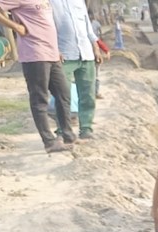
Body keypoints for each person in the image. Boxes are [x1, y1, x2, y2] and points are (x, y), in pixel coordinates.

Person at [0, 0, 75, 153]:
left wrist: (56, 50)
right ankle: (49, 142)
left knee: (63, 94)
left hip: (52, 54)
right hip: (35, 54)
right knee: (40, 99)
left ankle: (68, 135)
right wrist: (15, 26)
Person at [52, 0, 101, 140]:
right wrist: (54, 49)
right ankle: (62, 130)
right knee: (62, 95)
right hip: (64, 55)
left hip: (85, 53)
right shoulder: (50, 2)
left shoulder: (79, 2)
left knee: (88, 94)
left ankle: (86, 128)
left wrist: (96, 48)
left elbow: (88, 28)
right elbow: (48, 28)